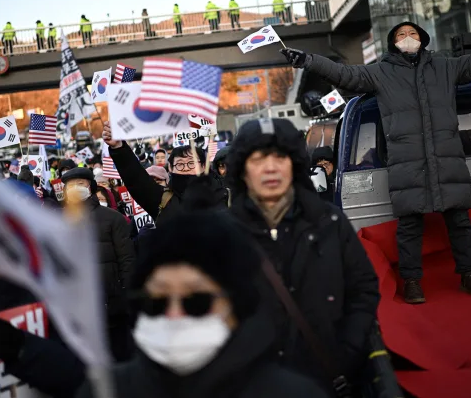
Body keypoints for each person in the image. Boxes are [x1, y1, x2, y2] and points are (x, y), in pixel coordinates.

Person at [280, 22, 471, 304]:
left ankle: (470, 275)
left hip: (447, 160)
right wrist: (309, 61)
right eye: (400, 35)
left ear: (422, 39)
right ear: (392, 43)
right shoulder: (380, 73)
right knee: (409, 226)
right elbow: (343, 74)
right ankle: (412, 281)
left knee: (460, 223)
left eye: (412, 33)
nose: (407, 38)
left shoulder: (445, 66)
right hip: (406, 164)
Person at [76, 200, 330, 398]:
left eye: (196, 302)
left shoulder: (293, 393)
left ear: (236, 303)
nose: (174, 314)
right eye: (157, 301)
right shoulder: (104, 392)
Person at [226, 118, 380, 395]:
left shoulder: (330, 222)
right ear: (242, 170)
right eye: (259, 158)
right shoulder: (220, 234)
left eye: (279, 156)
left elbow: (363, 290)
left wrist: (347, 352)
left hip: (328, 377)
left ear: (294, 164)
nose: (271, 167)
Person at [61, 167, 136, 360]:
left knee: (119, 357)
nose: (75, 189)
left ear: (91, 188)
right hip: (78, 308)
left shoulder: (113, 219)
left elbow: (127, 260)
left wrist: (127, 295)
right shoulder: (58, 222)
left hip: (112, 305)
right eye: (70, 185)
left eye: (81, 184)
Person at [103, 121, 227, 224]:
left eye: (191, 163)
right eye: (179, 164)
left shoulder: (225, 195)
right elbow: (136, 179)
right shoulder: (163, 199)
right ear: (171, 169)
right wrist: (119, 148)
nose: (185, 168)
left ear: (204, 166)